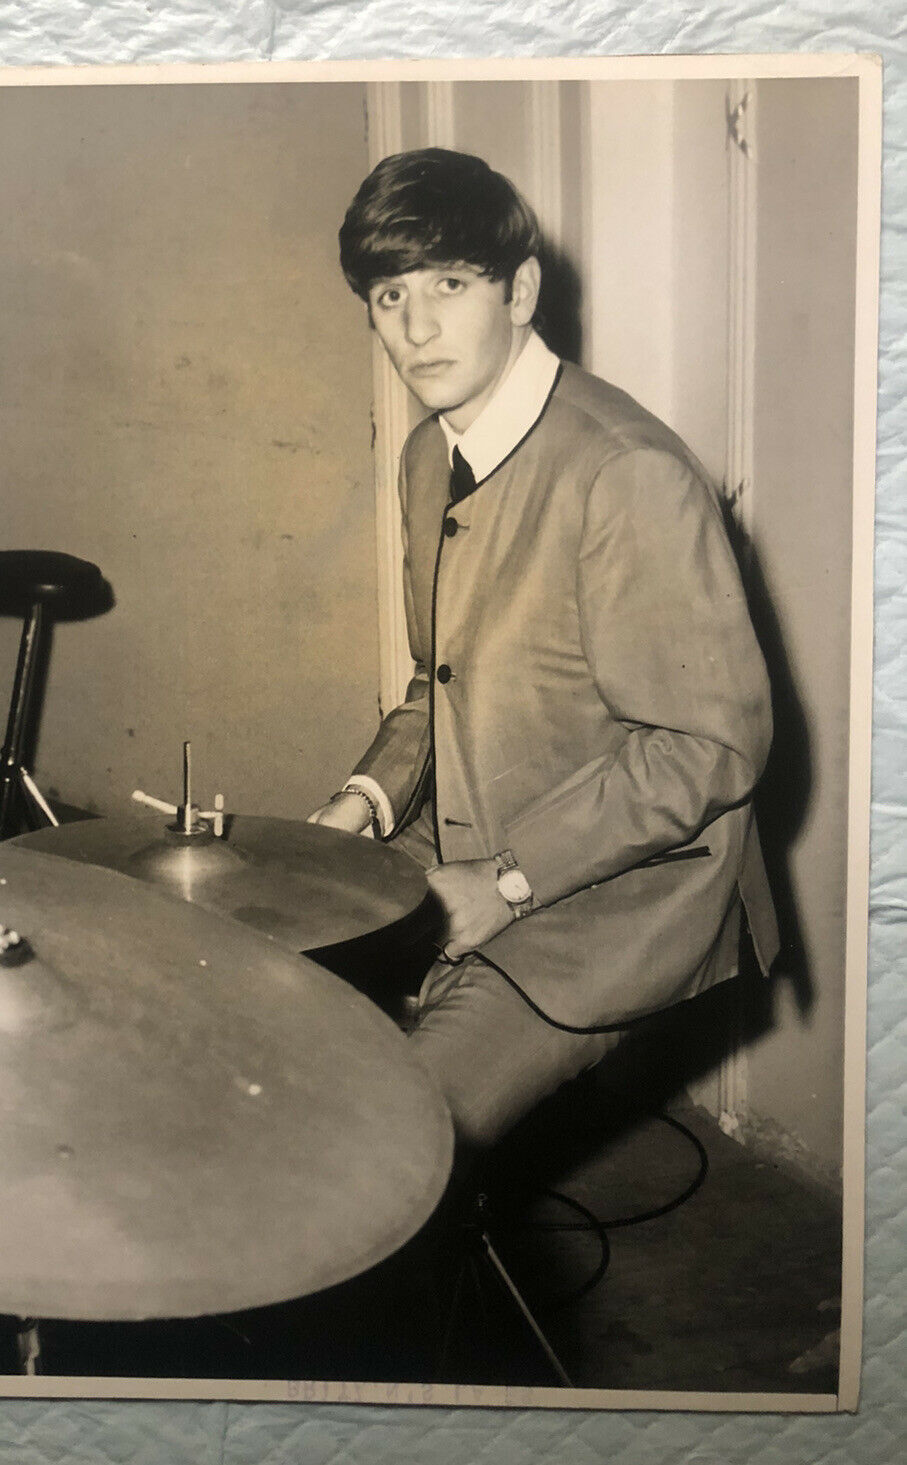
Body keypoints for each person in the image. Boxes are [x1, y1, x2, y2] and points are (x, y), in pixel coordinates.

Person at [312, 148, 779, 1151]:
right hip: (474, 835)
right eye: (389, 294)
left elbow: (713, 747)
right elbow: (437, 684)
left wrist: (506, 882)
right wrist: (365, 801)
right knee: (258, 974)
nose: (416, 326)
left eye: (450, 284)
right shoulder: (428, 454)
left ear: (520, 289)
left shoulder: (625, 473)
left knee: (384, 1145)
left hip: (618, 895)